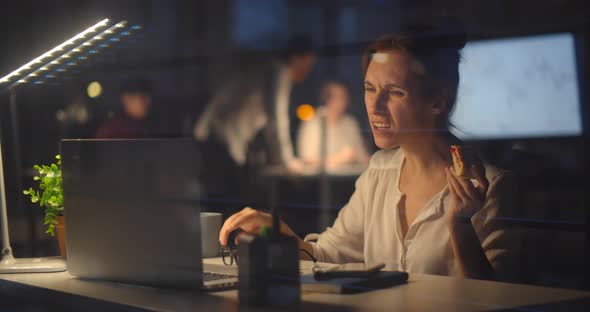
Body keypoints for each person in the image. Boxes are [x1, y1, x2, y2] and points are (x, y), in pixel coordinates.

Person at [218, 23, 521, 281]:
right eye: (369, 88)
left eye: (394, 92)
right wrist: (278, 234)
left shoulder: (491, 188)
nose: (374, 107)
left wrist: (460, 226)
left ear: (438, 102)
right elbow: (327, 254)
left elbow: (501, 299)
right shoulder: (379, 172)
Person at [194, 36, 317, 172]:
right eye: (308, 63)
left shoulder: (269, 70)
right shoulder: (278, 73)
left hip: (215, 136)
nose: (308, 70)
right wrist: (286, 161)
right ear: (296, 58)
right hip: (221, 139)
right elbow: (276, 120)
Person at [297, 80, 369, 171]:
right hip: (318, 181)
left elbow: (362, 155)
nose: (344, 102)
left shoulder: (350, 123)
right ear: (327, 100)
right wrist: (339, 159)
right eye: (339, 98)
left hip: (348, 179)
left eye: (345, 98)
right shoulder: (312, 123)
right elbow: (306, 159)